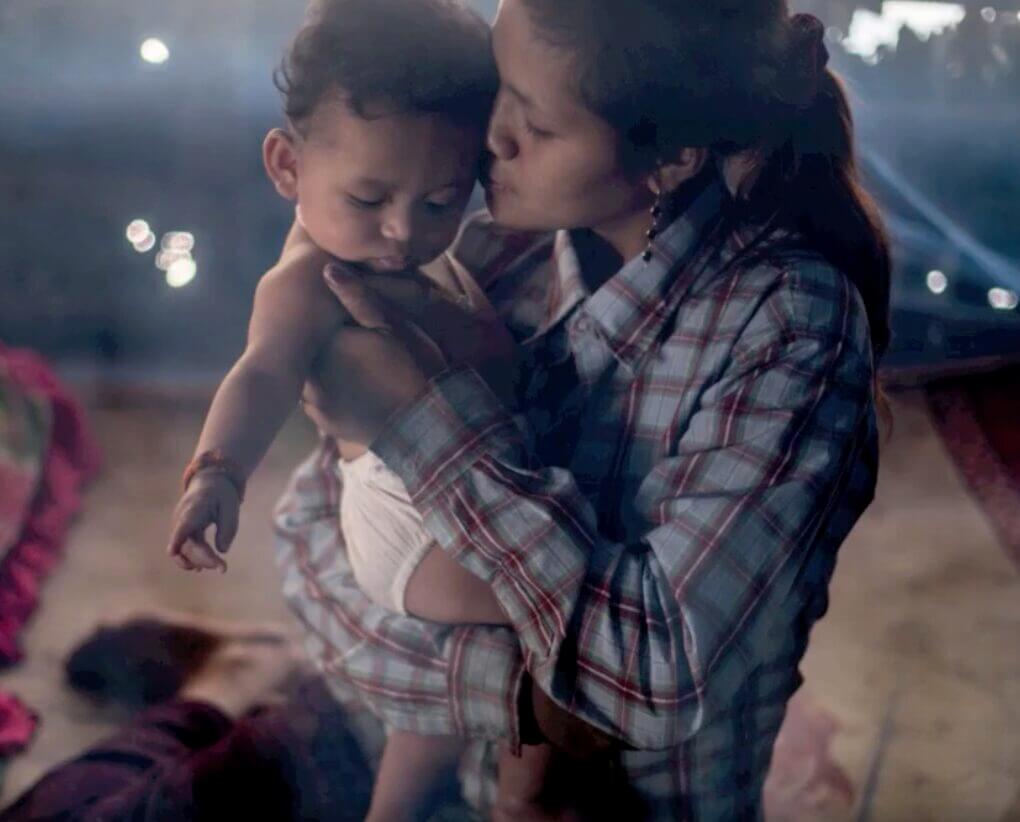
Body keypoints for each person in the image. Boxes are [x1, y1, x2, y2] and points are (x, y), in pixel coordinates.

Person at [274, 1, 890, 819]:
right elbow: (307, 537)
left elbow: (657, 681)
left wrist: (428, 427)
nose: (488, 137)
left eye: (534, 122)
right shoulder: (481, 241)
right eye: (497, 85)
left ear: (669, 157)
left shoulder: (788, 331)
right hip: (424, 763)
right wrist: (534, 704)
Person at [165, 0, 565, 817]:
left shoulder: (425, 250)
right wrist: (219, 472)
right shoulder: (306, 281)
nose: (400, 232)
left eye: (439, 202)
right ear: (287, 167)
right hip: (406, 524)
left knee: (443, 711)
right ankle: (533, 791)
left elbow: (492, 363)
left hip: (462, 485)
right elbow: (261, 374)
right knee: (563, 617)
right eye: (369, 197)